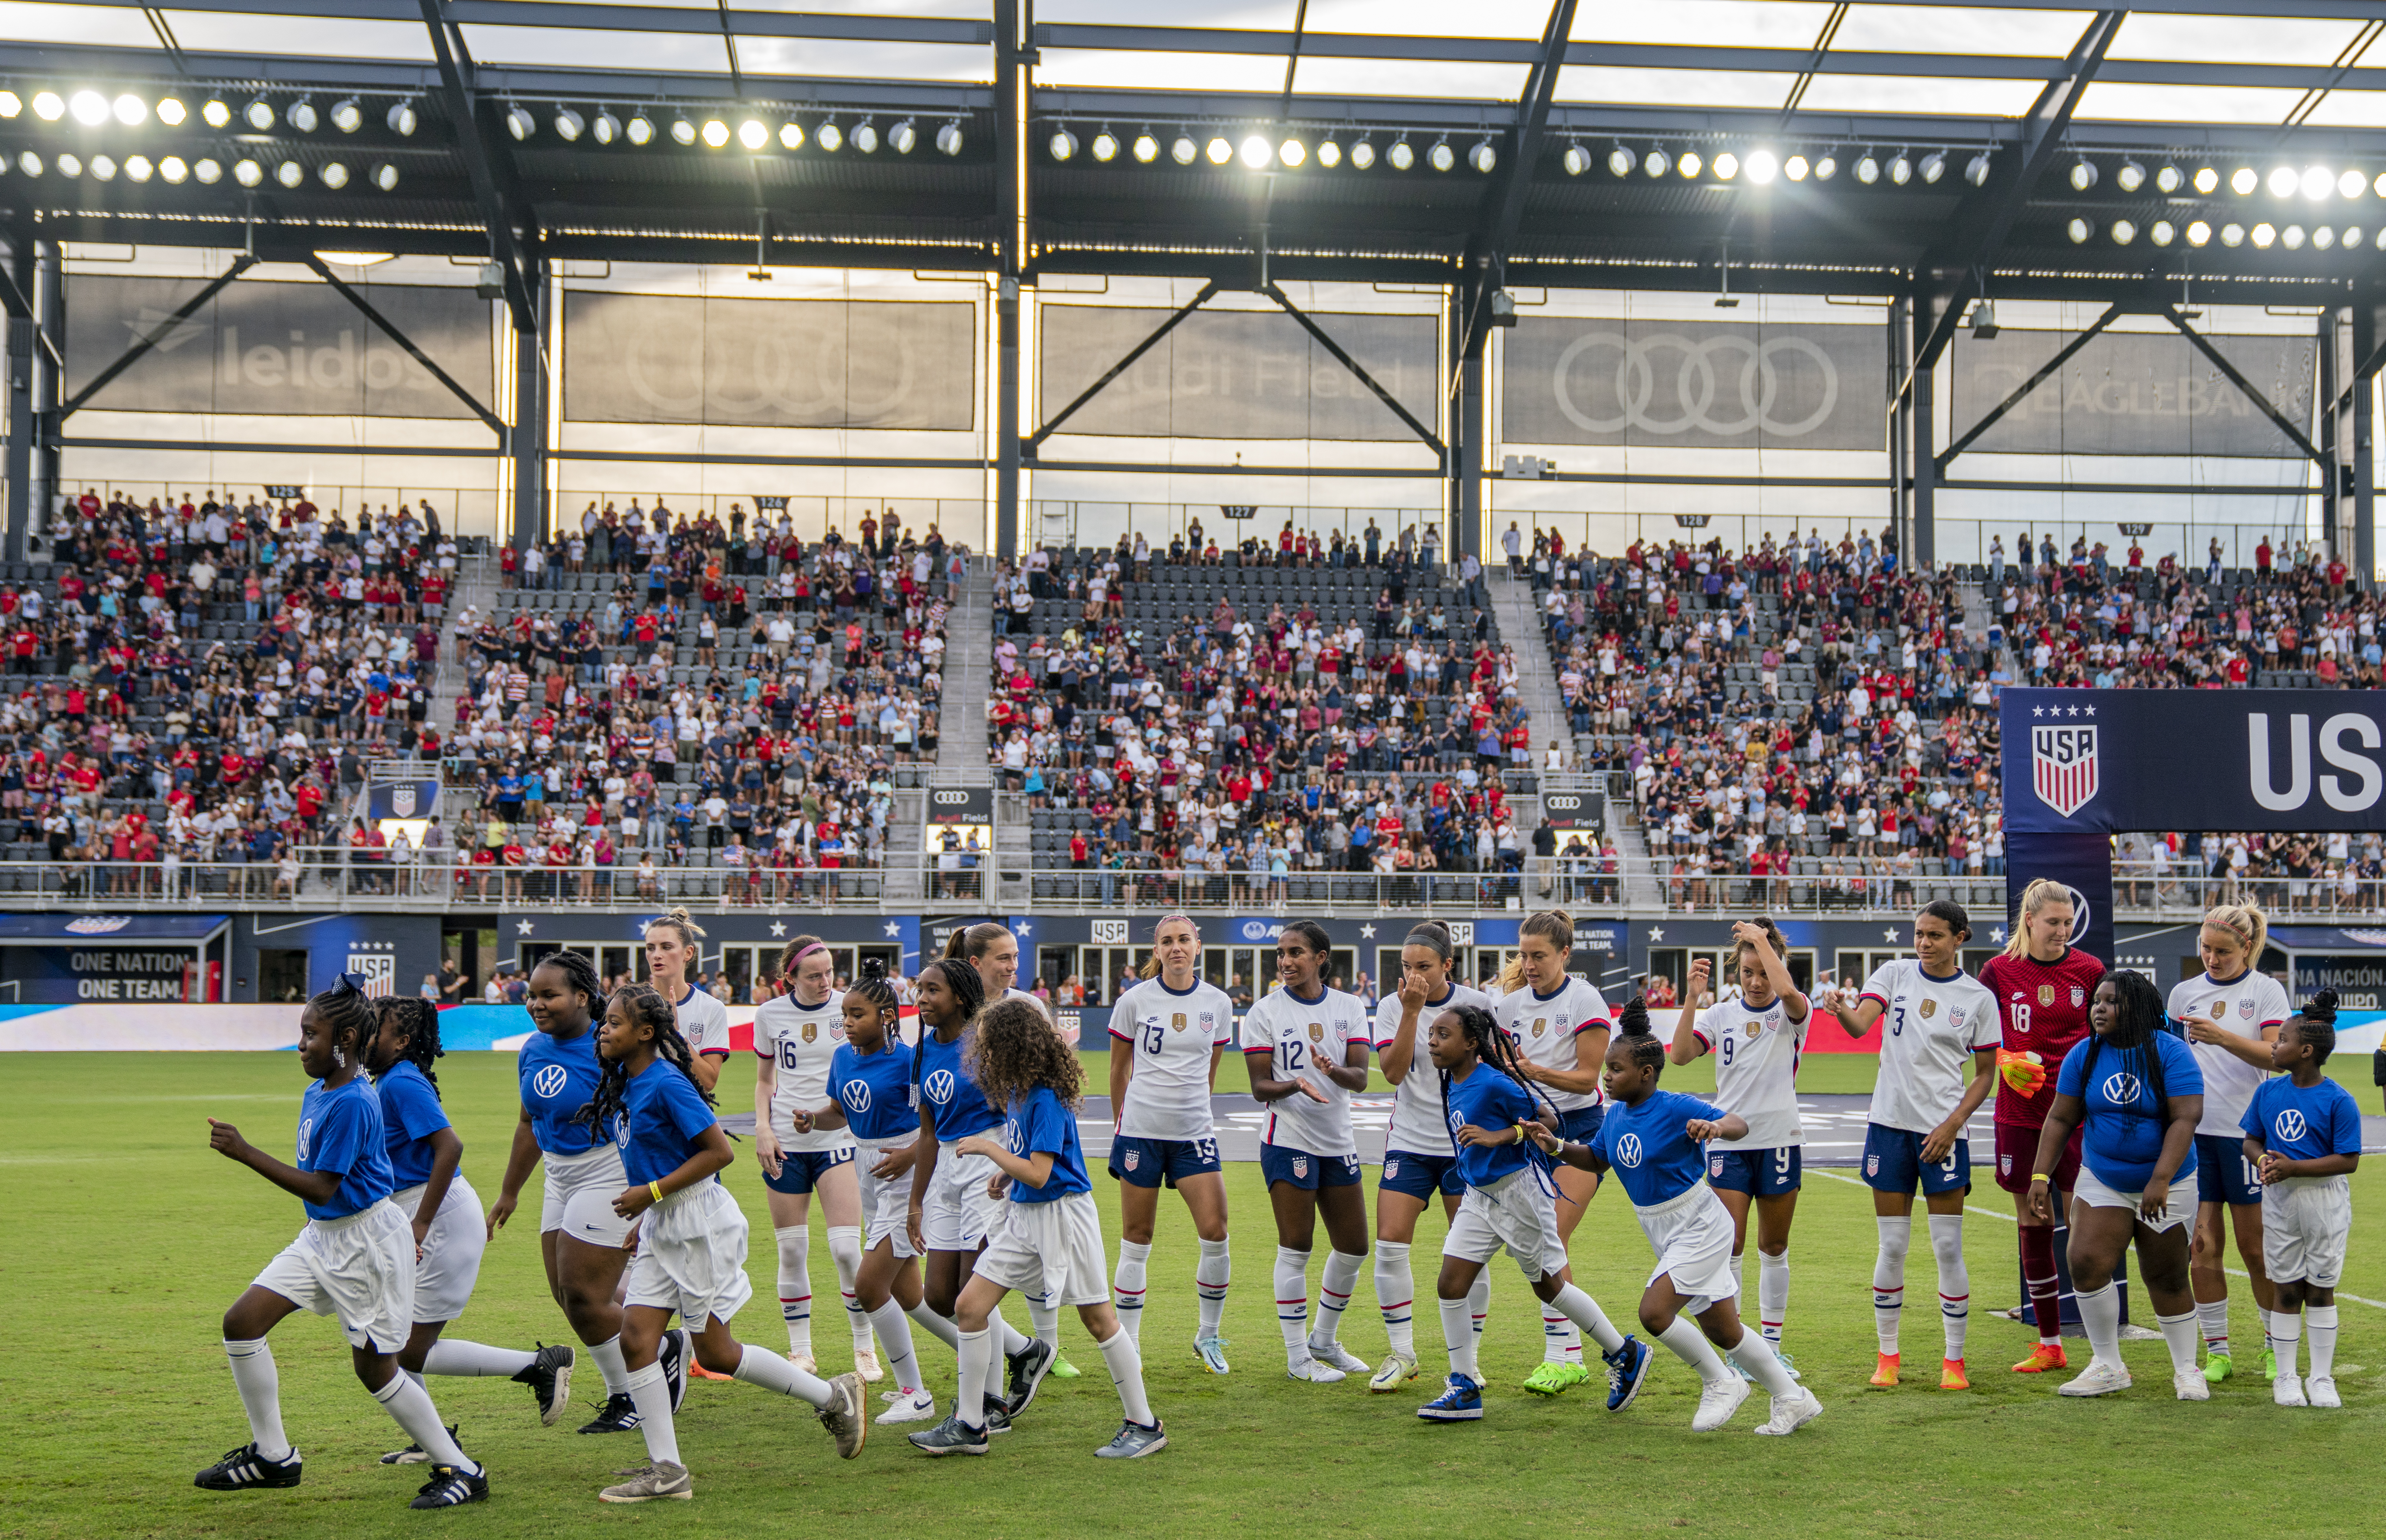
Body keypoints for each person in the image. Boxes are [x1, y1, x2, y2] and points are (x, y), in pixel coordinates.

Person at [196, 979, 490, 1508]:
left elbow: (321, 1185)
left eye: (311, 1034)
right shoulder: (322, 1088)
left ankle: (464, 1468)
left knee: (376, 1369)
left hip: (368, 1244)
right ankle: (274, 1455)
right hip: (323, 1236)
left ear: (347, 1037)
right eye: (301, 1033)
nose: (302, 1044)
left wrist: (245, 1151)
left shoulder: (355, 1099)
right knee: (242, 1322)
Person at [586, 984, 867, 1502]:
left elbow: (719, 1153)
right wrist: (649, 1211)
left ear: (646, 1032)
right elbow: (658, 1157)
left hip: (700, 1225)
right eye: (604, 1020)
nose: (603, 1029)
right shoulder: (627, 1080)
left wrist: (649, 1193)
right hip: (665, 1224)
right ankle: (667, 1470)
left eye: (614, 1022)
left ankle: (832, 1396)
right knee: (635, 1338)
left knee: (715, 1350)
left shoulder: (668, 1082)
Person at [1525, 1000, 1823, 1435]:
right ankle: (1794, 1398)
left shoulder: (1675, 1106)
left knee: (1654, 1312)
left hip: (1700, 1223)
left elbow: (1738, 1123)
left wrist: (1717, 1128)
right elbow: (1595, 1158)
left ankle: (1721, 1381)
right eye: (1607, 1067)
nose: (1606, 1075)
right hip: (1663, 1229)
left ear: (1646, 1073)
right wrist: (1554, 1145)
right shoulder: (1616, 1116)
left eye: (1616, 1068)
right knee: (1725, 1329)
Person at [906, 1000, 1167, 1459]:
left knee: (1098, 1319)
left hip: (1064, 1216)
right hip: (1024, 1217)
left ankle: (1144, 1423)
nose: (980, 1051)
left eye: (986, 1043)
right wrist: (1007, 1174)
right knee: (969, 1305)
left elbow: (1044, 1173)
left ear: (1009, 1044)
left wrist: (991, 1152)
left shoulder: (1044, 1094)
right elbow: (1030, 1163)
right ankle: (970, 1425)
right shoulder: (1017, 1090)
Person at [1415, 1003, 1653, 1425]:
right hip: (1479, 1195)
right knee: (1450, 1284)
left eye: (1443, 1034)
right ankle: (1464, 1384)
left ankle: (1624, 1350)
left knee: (1550, 1287)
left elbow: (1548, 1118)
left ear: (1472, 1042)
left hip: (1519, 1192)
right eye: (1432, 1033)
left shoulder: (1493, 1082)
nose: (1432, 1041)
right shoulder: (1450, 1078)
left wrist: (1498, 1136)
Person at [364, 998, 572, 1464]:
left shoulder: (401, 1081)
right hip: (415, 1213)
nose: (364, 1034)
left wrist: (419, 1223)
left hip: (438, 1218)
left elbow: (450, 1147)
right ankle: (432, 1438)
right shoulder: (386, 1079)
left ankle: (538, 1365)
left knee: (408, 1349)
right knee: (391, 1336)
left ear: (401, 1042)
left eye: (374, 1029)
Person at [485, 952, 685, 1436]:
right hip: (558, 1175)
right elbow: (528, 1122)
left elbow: (659, 1107)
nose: (536, 1003)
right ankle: (661, 1347)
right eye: (532, 994)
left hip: (608, 1170)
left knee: (583, 1293)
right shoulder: (532, 1048)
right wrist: (510, 1191)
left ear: (582, 996)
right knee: (568, 1293)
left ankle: (631, 1391)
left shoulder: (610, 1046)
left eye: (549, 994)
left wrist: (655, 1189)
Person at [1820, 900, 1999, 1390]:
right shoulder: (1894, 973)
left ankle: (1954, 1361)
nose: (1923, 942)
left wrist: (1952, 1124)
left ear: (1959, 937)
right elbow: (1860, 1026)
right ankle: (1888, 1356)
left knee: (1946, 1246)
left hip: (1943, 1132)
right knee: (1893, 1244)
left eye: (1935, 935)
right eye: (1919, 933)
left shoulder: (1978, 998)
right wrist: (1840, 1012)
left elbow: (1987, 1075)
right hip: (1889, 1126)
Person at [2024, 973, 2208, 1401]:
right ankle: (2107, 1365)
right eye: (2097, 1001)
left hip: (2169, 1180)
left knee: (2165, 1274)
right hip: (2103, 1176)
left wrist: (2160, 1178)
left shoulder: (2171, 1053)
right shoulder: (2084, 1054)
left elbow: (2186, 1118)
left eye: (2111, 1002)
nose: (2099, 1009)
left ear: (2139, 1009)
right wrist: (2039, 1175)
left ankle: (2186, 1368)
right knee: (2085, 1260)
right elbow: (2059, 1117)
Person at [792, 975, 956, 1426]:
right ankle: (999, 1352)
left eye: (856, 1014)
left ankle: (915, 1392)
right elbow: (839, 1113)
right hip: (867, 1167)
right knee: (908, 1293)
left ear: (887, 1017)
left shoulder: (910, 1060)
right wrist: (813, 1120)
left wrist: (909, 1154)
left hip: (908, 1171)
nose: (846, 1022)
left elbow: (942, 1118)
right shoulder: (843, 1057)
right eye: (844, 1013)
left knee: (868, 1286)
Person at [1667, 921, 1807, 1375]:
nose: (1755, 980)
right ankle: (1742, 1350)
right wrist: (1692, 996)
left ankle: (1773, 1346)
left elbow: (1787, 992)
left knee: (1775, 1245)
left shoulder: (1792, 1011)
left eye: (1763, 971)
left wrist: (1765, 943)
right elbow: (1681, 1055)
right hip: (1729, 1142)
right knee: (1732, 1244)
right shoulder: (1721, 1015)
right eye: (1747, 971)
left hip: (1780, 1141)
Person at [1977, 879, 2104, 1374]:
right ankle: (2049, 1344)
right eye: (2053, 922)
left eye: (2068, 922)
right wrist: (2004, 1056)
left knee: (2083, 1230)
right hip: (2020, 1114)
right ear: (2028, 920)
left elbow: (2108, 1034)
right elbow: (1979, 1037)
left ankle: (2100, 1348)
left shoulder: (2089, 970)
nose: (2062, 931)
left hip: (2075, 1116)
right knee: (2033, 1224)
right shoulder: (1998, 972)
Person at [1239, 919, 1374, 1383]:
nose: (1285, 960)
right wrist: (1295, 1082)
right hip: (1287, 1139)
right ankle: (1298, 1358)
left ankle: (1323, 1339)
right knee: (1296, 1247)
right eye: (1281, 952)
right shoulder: (1264, 1011)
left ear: (1320, 957)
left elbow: (1361, 1078)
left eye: (1296, 952)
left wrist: (1331, 1070)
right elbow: (1259, 1087)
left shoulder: (1349, 1006)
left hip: (1338, 1142)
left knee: (1354, 1247)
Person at [905, 957, 1035, 1433]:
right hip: (945, 1168)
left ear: (959, 996)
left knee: (972, 1297)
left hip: (987, 1163)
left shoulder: (984, 1042)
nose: (922, 999)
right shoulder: (921, 1050)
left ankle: (986, 1405)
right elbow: (925, 1132)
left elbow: (1021, 1107)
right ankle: (1025, 1350)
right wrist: (916, 1202)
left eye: (932, 990)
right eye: (919, 989)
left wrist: (1012, 1167)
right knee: (939, 1296)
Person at [1104, 914, 1237, 1373]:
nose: (1176, 947)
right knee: (1136, 1239)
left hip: (1194, 1135)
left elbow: (1210, 1070)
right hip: (1140, 1132)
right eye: (1167, 941)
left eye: (1184, 939)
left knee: (1216, 1231)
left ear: (1198, 945)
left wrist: (1196, 1112)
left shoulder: (1218, 1003)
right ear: (1157, 950)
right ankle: (1130, 1343)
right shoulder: (1134, 1000)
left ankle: (1208, 1335)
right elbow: (1118, 1070)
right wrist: (1124, 1125)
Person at [1367, 921, 1495, 1393]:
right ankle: (1402, 1353)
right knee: (1390, 1243)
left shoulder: (1478, 1005)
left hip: (1465, 1145)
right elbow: (1393, 1072)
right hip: (1409, 1143)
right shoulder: (1391, 1006)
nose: (1413, 975)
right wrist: (1410, 1013)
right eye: (1406, 966)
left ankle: (1469, 1360)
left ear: (1447, 965)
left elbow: (1494, 1072)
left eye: (1423, 966)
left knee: (1470, 1256)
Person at [945, 921, 1076, 1378]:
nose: (1014, 966)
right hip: (964, 1150)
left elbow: (1048, 1069)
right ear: (976, 963)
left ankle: (1046, 1351)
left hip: (1010, 1142)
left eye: (1016, 957)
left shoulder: (1028, 1005)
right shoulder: (952, 1006)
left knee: (1023, 1250)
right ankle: (1026, 1354)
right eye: (1004, 958)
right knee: (988, 1267)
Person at [1492, 908, 1615, 1394]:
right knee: (1535, 1245)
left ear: (1565, 953)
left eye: (1539, 955)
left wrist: (1534, 1071)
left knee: (1551, 1239)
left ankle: (1563, 1356)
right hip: (1530, 1131)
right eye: (1523, 955)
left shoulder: (1585, 998)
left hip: (1581, 1131)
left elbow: (1588, 1078)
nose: (1529, 964)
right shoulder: (1508, 1006)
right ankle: (1570, 1354)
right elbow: (1502, 1070)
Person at [2171, 901, 2291, 1383]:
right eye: (2205, 948)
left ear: (2246, 947)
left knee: (2256, 1248)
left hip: (2246, 1136)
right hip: (2193, 1135)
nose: (2211, 958)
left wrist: (2221, 1036)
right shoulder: (2184, 992)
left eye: (2222, 950)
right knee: (2202, 1245)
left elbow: (2277, 1054)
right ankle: (2217, 1350)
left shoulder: (2264, 990)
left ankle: (2271, 1344)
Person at [751, 936, 876, 1381]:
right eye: (814, 975)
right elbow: (765, 1080)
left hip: (838, 1137)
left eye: (829, 972)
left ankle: (865, 1346)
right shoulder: (768, 1015)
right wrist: (764, 1129)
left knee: (846, 1249)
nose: (826, 981)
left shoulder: (851, 1007)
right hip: (785, 1143)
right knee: (791, 1248)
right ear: (790, 978)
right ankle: (801, 1351)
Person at [2243, 990, 2361, 1408]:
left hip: (2323, 1200)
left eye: (2282, 1040)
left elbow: (2348, 1160)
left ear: (2306, 1050)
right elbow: (2251, 1139)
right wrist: (2263, 1161)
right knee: (2286, 1287)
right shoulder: (2268, 1093)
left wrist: (2294, 1167)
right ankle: (2287, 1377)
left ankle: (2322, 1377)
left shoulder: (2338, 1099)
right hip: (2280, 1199)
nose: (2274, 1046)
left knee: (2321, 1289)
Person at [645, 911, 732, 1093]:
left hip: (688, 1118)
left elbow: (708, 1083)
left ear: (688, 952)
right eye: (651, 948)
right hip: (641, 1117)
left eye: (667, 947)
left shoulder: (711, 1008)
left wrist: (675, 1034)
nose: (657, 955)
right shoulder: (630, 1004)